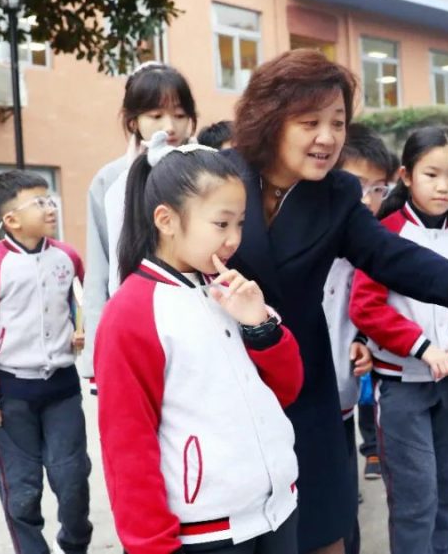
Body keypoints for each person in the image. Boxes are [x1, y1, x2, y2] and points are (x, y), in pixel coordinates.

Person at [224, 49, 448, 554]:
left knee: (323, 530)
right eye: (310, 122)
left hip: (307, 388)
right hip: (226, 385)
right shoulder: (220, 177)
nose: (328, 137)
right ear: (270, 119)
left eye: (338, 122)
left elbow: (395, 257)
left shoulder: (335, 196)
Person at [94, 133, 304, 554]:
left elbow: (287, 389)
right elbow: (127, 445)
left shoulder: (232, 289)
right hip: (206, 532)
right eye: (221, 224)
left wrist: (260, 325)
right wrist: (152, 546)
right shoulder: (131, 312)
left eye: (240, 223)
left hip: (279, 511)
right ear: (166, 220)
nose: (234, 238)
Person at [349, 126, 448, 554]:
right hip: (402, 388)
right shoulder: (384, 234)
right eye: (432, 174)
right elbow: (366, 307)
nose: (443, 186)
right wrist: (423, 349)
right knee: (415, 504)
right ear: (406, 176)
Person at [0, 171, 92, 554]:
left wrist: (81, 329)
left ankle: (73, 543)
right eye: (39, 202)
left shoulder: (67, 257)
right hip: (11, 395)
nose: (50, 207)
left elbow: (81, 302)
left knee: (72, 479)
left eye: (50, 199)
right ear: (11, 219)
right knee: (21, 490)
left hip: (62, 388)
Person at [82, 62, 197, 393]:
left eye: (179, 114)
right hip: (137, 324)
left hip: (198, 317)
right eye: (156, 115)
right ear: (133, 121)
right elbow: (99, 272)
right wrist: (96, 360)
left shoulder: (208, 170)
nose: (170, 126)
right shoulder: (110, 180)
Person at [321, 123, 398, 554]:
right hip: (296, 409)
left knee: (343, 511)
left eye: (378, 189)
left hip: (344, 403)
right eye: (357, 186)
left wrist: (364, 342)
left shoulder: (370, 250)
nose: (368, 200)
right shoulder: (307, 247)